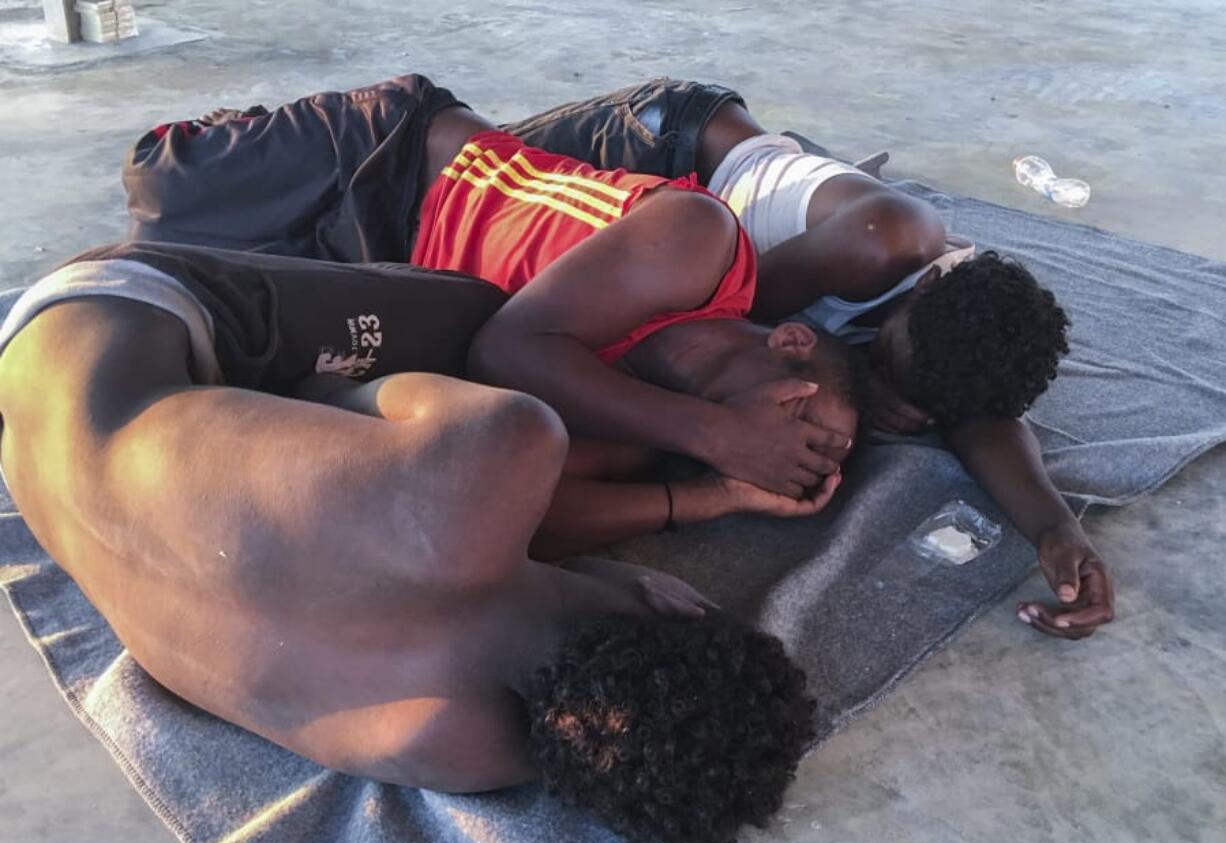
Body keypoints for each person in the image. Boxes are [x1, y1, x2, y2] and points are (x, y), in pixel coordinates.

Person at [0, 244, 817, 843]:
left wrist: (640, 468)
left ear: (678, 599)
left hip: (107, 311)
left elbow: (313, 398)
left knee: (479, 316)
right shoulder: (455, 748)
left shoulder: (502, 448)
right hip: (32, 469)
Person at [122, 75, 861, 542]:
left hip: (378, 269)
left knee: (163, 279)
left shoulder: (635, 423)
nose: (773, 449)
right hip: (398, 158)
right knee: (159, 184)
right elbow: (507, 349)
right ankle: (255, 125)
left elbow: (513, 510)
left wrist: (717, 493)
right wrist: (717, 432)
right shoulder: (704, 245)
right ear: (791, 342)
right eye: (797, 422)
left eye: (795, 461)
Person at [503, 78, 1114, 640]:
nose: (894, 398)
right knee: (459, 163)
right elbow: (724, 316)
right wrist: (839, 384)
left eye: (929, 409)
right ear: (925, 287)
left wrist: (1055, 530)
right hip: (662, 145)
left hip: (657, 219)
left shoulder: (942, 341)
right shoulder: (885, 242)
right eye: (885, 366)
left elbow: (986, 420)